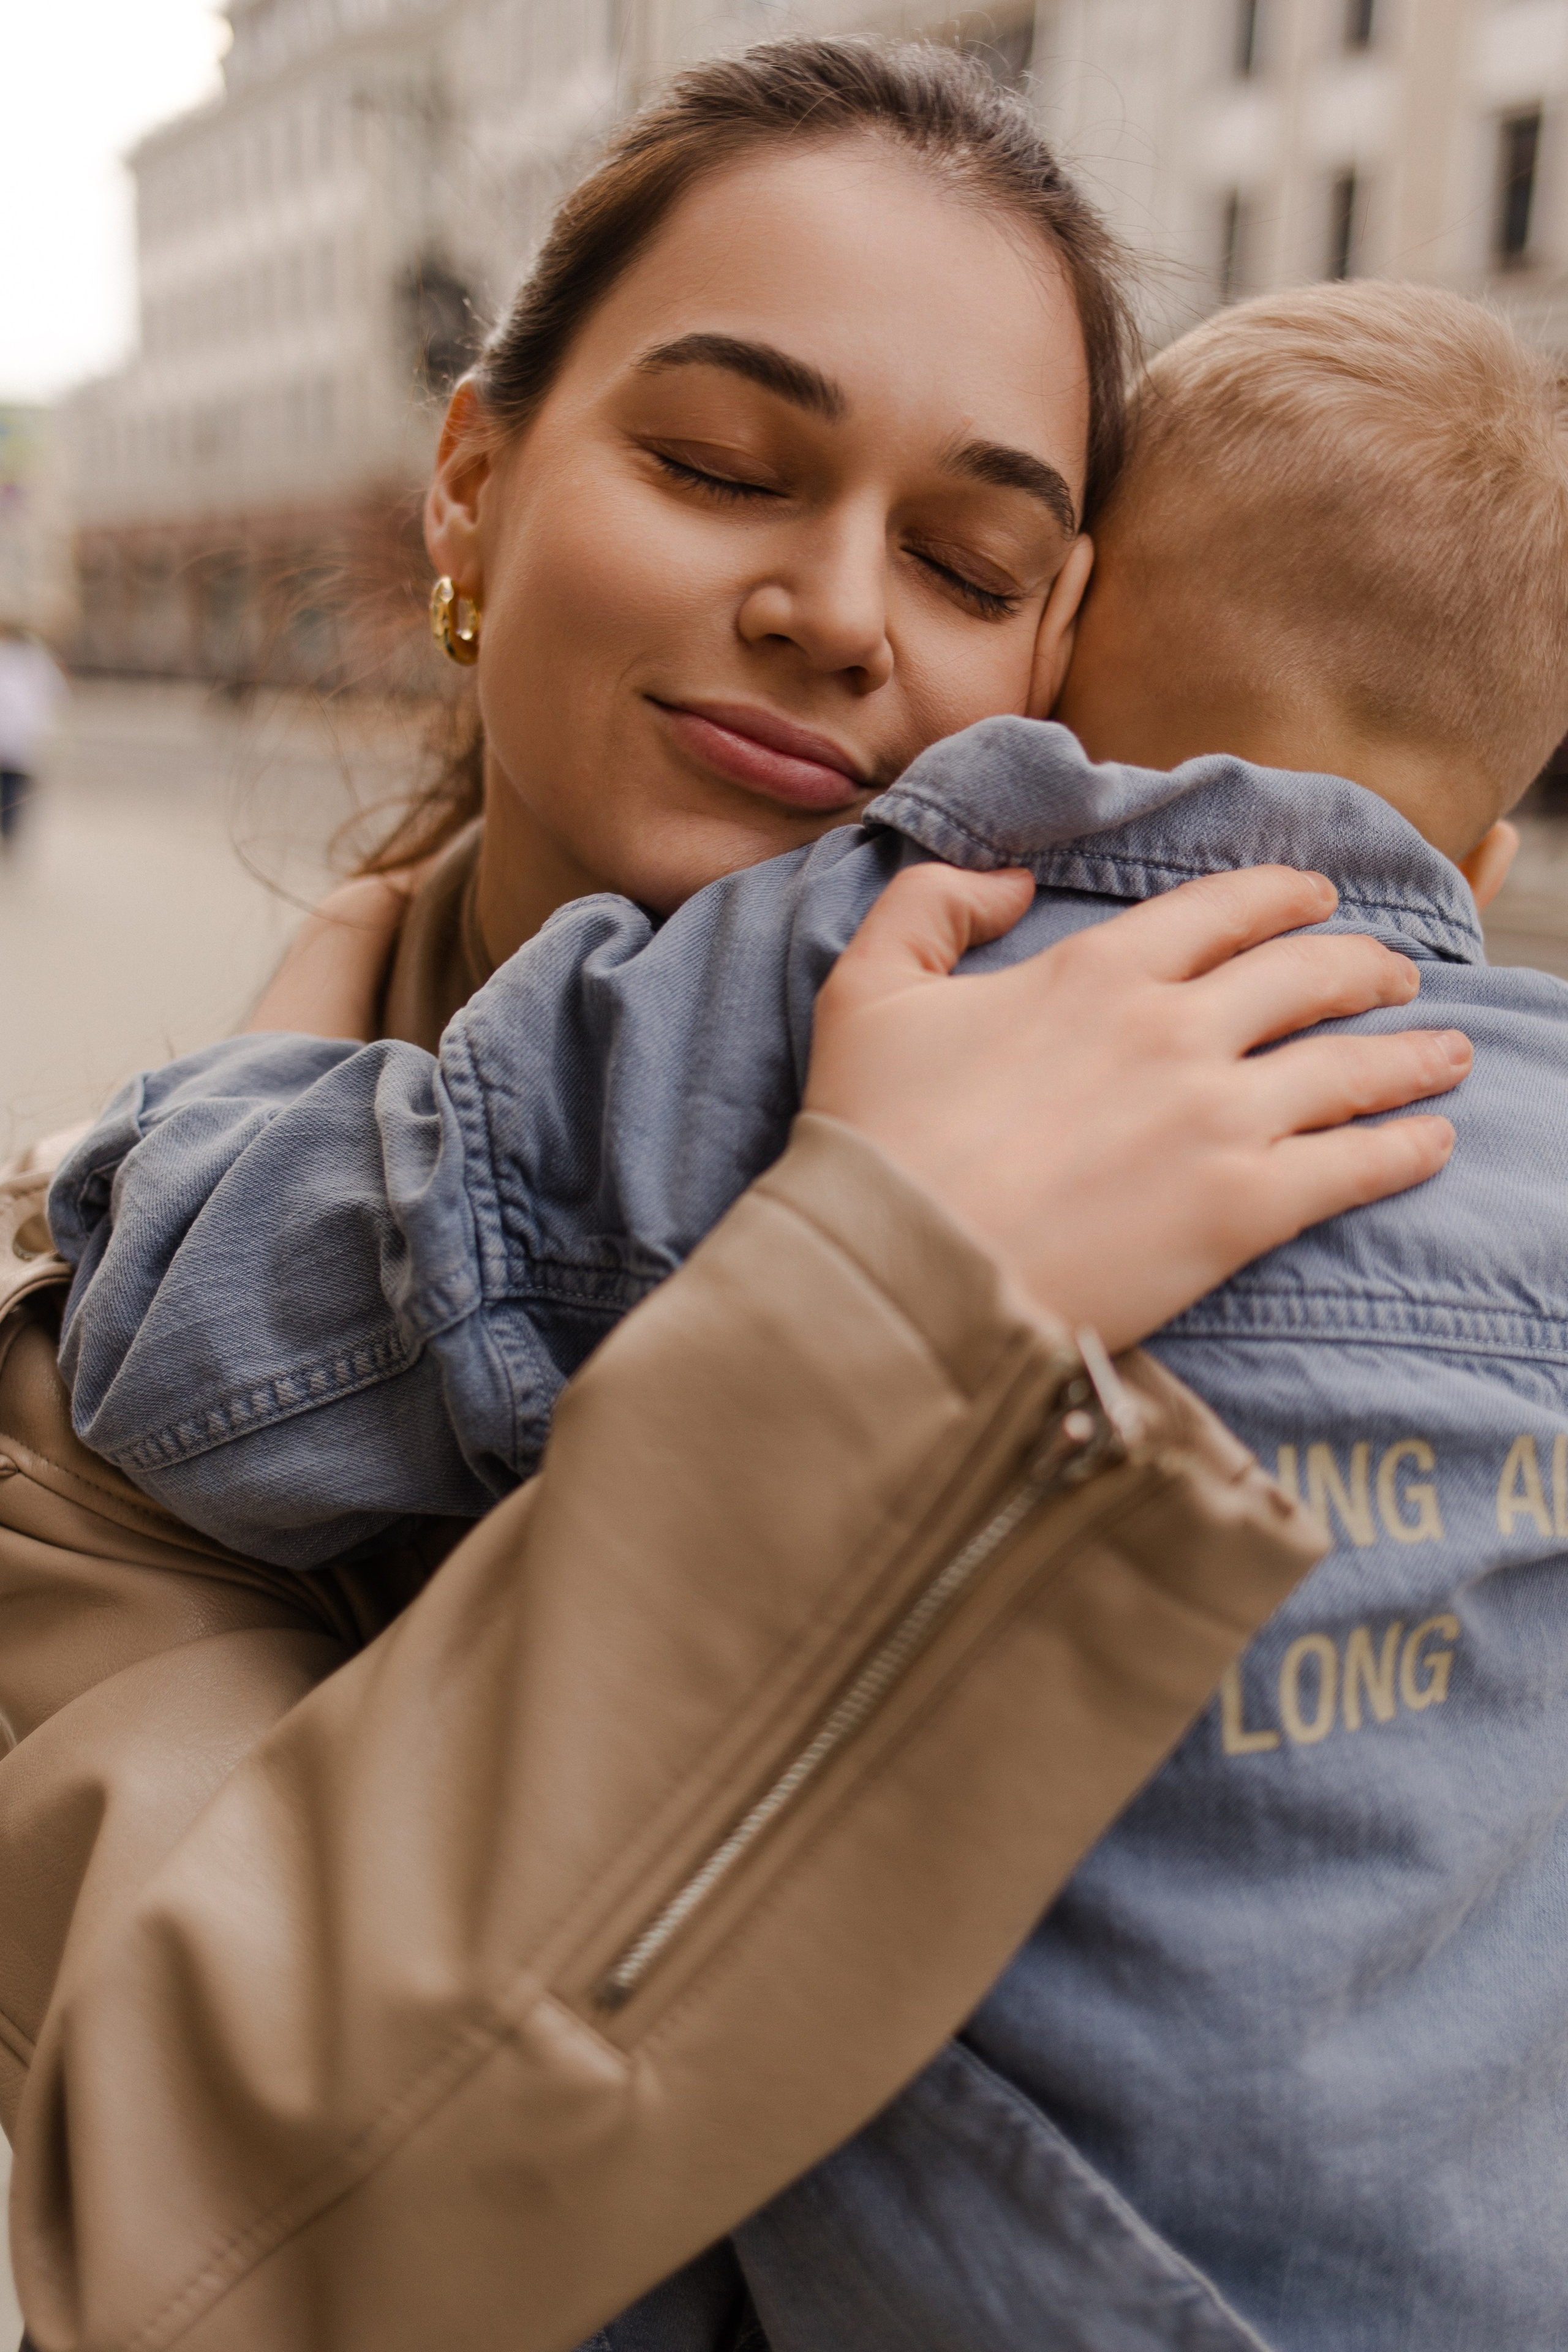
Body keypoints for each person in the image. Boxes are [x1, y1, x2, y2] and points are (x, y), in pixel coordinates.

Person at [0, 48, 1469, 2352]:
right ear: (470, 487)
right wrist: (896, 1299)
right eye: (713, 465)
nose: (834, 606)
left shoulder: (1314, 1166)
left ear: (1066, 646)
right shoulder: (91, 1343)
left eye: (970, 562)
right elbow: (200, 2230)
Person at [0, 624, 64, 846]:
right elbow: (56, 695)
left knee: (12, 788)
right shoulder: (36, 661)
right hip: (21, 738)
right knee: (13, 789)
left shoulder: (32, 661)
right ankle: (9, 831)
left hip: (18, 738)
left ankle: (8, 831)